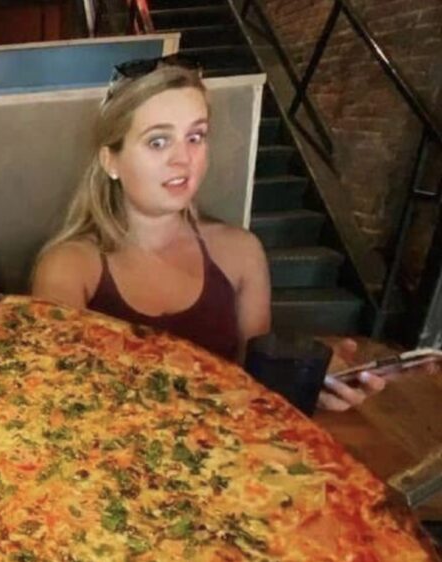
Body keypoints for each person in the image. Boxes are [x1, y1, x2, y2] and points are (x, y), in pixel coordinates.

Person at [31, 57, 383, 410]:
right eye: (158, 142)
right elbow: (62, 401)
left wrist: (308, 382)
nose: (183, 159)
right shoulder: (68, 267)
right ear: (111, 161)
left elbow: (258, 390)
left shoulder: (242, 252)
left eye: (195, 137)